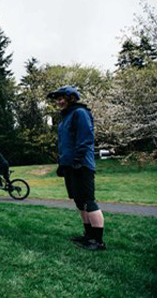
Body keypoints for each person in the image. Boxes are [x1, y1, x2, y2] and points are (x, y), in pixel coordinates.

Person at [47, 86, 106, 251]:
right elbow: (64, 144)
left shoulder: (80, 113)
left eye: (62, 98)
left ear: (71, 98)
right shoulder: (65, 117)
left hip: (82, 164)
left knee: (88, 201)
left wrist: (78, 160)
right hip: (70, 165)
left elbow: (86, 137)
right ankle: (88, 235)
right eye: (57, 99)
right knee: (80, 202)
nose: (59, 102)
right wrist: (62, 164)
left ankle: (98, 241)